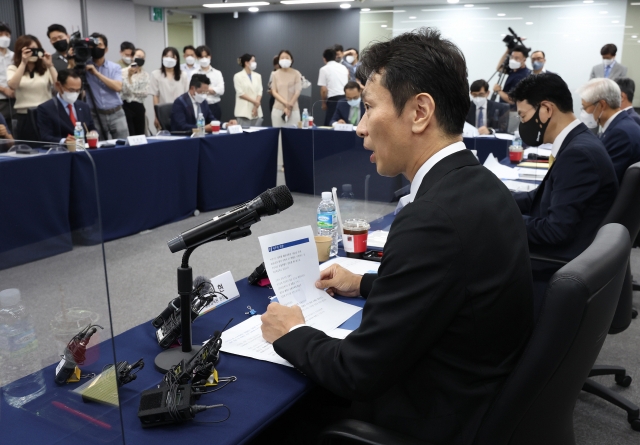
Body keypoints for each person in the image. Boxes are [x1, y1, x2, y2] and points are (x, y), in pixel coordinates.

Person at [259, 27, 534, 444]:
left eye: (368, 108)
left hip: (433, 416)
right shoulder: (479, 182)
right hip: (482, 391)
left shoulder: (431, 219)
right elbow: (450, 286)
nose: (360, 128)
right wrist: (366, 282)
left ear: (420, 111)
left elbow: (357, 372)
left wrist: (292, 332)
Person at [510, 73, 618, 264]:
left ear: (546, 109)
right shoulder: (578, 142)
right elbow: (540, 198)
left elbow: (555, 231)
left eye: (523, 115)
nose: (522, 123)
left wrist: (498, 219)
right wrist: (497, 198)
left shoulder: (578, 155)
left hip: (555, 263)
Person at [579, 78, 640, 183]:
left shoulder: (621, 133)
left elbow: (602, 178)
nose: (583, 112)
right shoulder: (619, 125)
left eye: (585, 107)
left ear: (602, 105)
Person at [7, 35, 57, 139]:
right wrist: (23, 63)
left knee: (48, 145)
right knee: (27, 148)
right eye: (29, 50)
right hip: (24, 116)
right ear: (20, 51)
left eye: (35, 49)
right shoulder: (13, 68)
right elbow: (13, 85)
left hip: (45, 114)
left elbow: (58, 86)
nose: (32, 53)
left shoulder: (45, 68)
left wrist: (50, 65)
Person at [84, 32, 128, 140]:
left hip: (116, 113)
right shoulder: (84, 67)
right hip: (95, 115)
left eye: (99, 45)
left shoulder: (115, 67)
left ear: (106, 49)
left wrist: (96, 73)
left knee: (123, 145)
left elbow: (118, 87)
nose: (96, 48)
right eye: (93, 46)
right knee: (100, 147)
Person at [36, 69, 95, 144]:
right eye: (71, 90)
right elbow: (45, 136)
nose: (75, 94)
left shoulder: (84, 106)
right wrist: (64, 141)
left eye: (78, 91)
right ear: (58, 86)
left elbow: (91, 127)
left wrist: (93, 133)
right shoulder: (46, 108)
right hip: (62, 150)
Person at [149, 46, 188, 130]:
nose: (169, 59)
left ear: (177, 59)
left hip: (180, 111)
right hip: (163, 112)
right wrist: (156, 116)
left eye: (173, 57)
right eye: (167, 56)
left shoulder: (183, 75)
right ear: (162, 58)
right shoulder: (155, 74)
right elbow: (155, 96)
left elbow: (186, 96)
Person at [121, 48, 149, 136]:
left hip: (139, 107)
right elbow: (124, 91)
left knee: (140, 135)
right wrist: (129, 76)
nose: (140, 59)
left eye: (143, 57)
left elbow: (145, 93)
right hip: (126, 106)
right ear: (133, 57)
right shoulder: (123, 72)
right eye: (138, 56)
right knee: (130, 135)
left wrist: (132, 91)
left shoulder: (145, 75)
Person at [493, 45, 531, 109]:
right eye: (512, 57)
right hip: (505, 109)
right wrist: (507, 51)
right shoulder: (514, 70)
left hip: (513, 111)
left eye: (516, 58)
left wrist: (499, 91)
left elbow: (512, 100)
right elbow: (499, 68)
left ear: (524, 60)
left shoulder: (523, 76)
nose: (513, 60)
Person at [318, 47, 349, 126]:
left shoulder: (324, 69)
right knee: (344, 124)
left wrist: (323, 103)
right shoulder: (344, 67)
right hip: (346, 98)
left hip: (333, 99)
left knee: (331, 123)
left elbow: (323, 89)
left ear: (324, 59)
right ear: (335, 57)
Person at [270, 50, 301, 127]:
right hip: (278, 109)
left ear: (291, 60)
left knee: (293, 135)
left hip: (293, 109)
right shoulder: (275, 74)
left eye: (287, 58)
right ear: (279, 60)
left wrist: (290, 106)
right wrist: (286, 104)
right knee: (278, 135)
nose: (284, 59)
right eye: (282, 58)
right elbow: (274, 92)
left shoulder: (296, 73)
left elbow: (297, 91)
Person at [193, 45, 224, 120]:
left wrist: (203, 90)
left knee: (216, 128)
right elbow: (194, 92)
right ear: (197, 58)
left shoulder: (217, 73)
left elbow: (221, 90)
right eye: (201, 57)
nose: (204, 59)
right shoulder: (194, 73)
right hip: (199, 106)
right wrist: (212, 90)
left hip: (214, 106)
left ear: (210, 56)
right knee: (201, 129)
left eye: (206, 56)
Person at [233, 53, 263, 127]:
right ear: (246, 63)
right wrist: (255, 102)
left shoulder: (258, 76)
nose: (255, 63)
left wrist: (256, 106)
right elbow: (240, 93)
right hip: (243, 111)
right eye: (253, 61)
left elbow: (260, 91)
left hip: (256, 111)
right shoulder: (238, 76)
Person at [0, 22, 15, 133]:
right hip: (1, 98)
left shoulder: (14, 56)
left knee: (15, 129)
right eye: (0, 34)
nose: (4, 37)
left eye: (6, 34)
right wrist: (4, 89)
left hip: (15, 98)